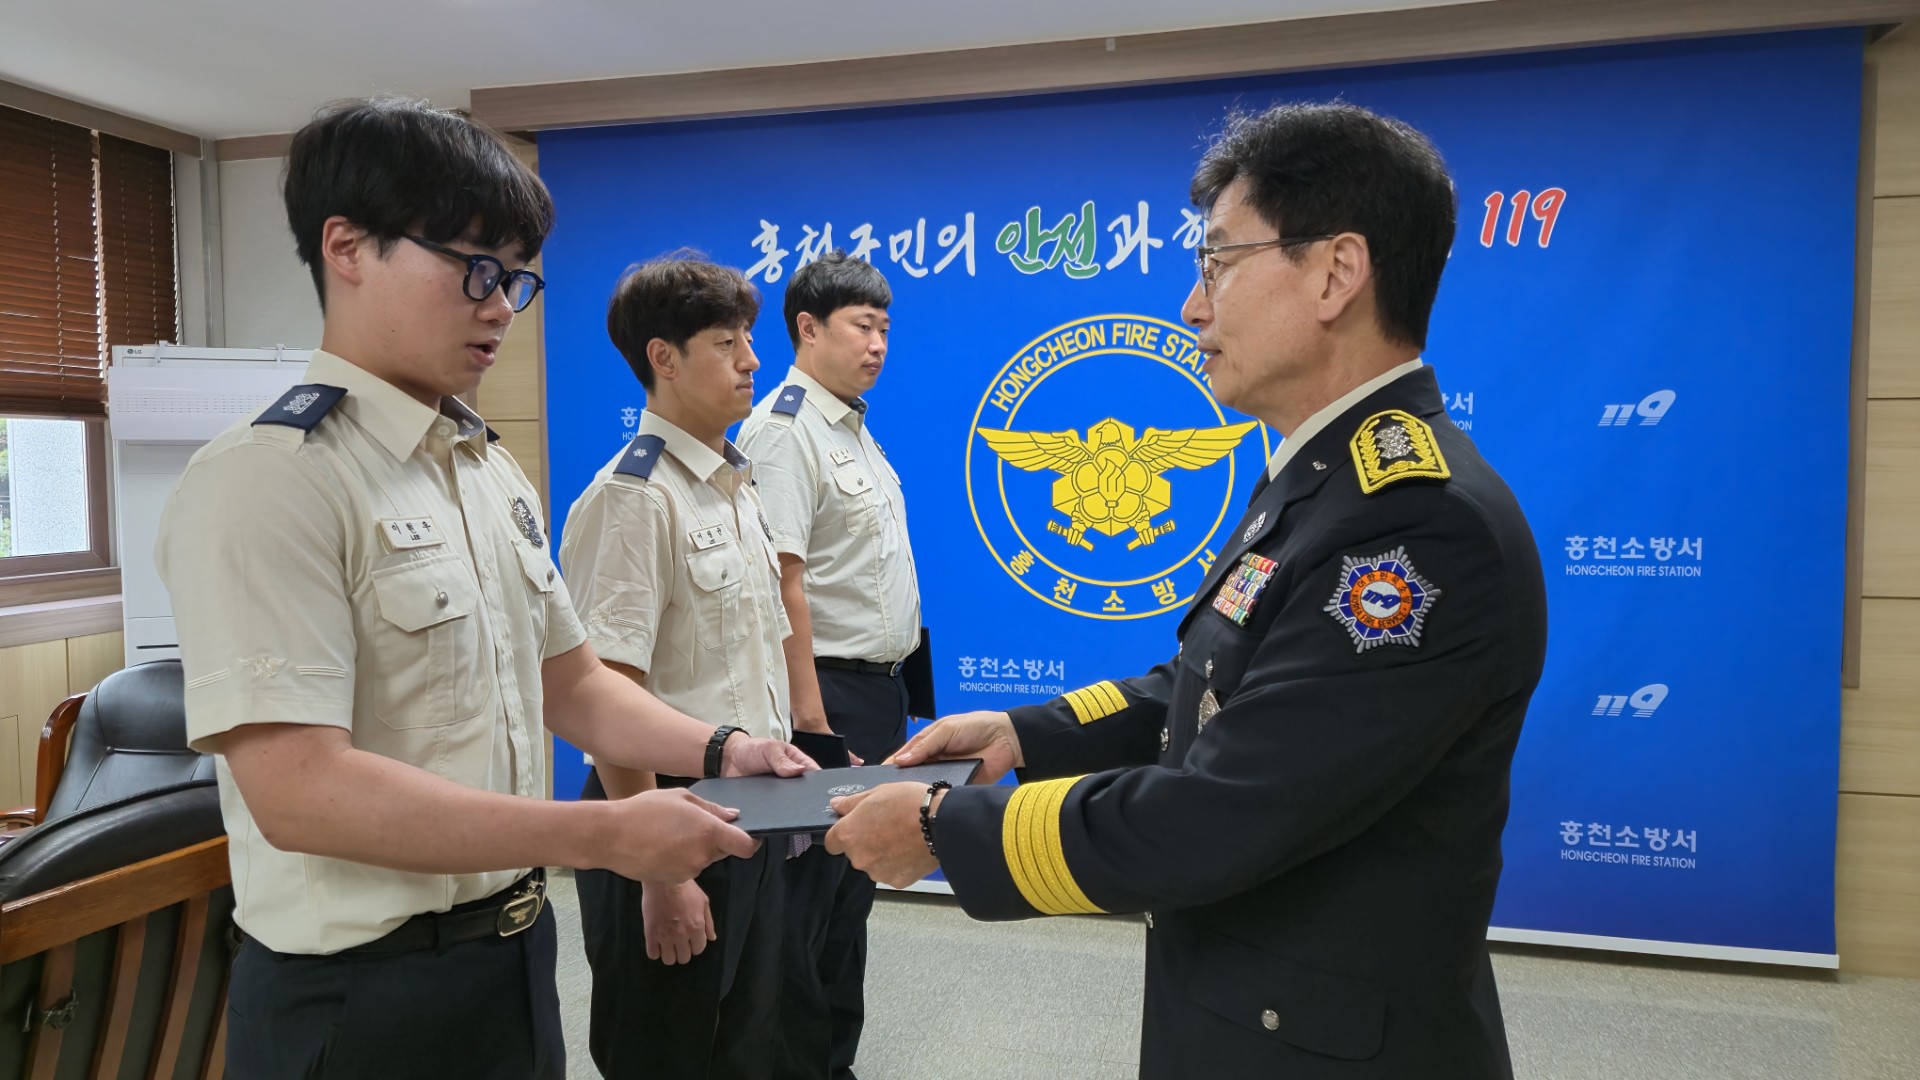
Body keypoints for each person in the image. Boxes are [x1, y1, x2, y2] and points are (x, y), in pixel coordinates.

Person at [827, 101, 1548, 1079]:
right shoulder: (1322, 478)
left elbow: (1220, 813)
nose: (1192, 307)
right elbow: (1212, 687)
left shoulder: (1414, 522)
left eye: (1218, 264)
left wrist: (939, 826)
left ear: (1336, 272)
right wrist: (1025, 734)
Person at [155, 98, 810, 1080]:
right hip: (359, 994)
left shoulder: (483, 469)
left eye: (515, 278)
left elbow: (574, 685)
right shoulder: (271, 478)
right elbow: (300, 791)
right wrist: (602, 833)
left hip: (510, 951)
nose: (501, 306)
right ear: (347, 247)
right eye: (474, 268)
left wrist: (724, 748)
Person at [559, 252, 803, 1079]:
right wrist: (655, 874)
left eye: (750, 339)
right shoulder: (632, 498)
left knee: (744, 1047)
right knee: (664, 1052)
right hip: (662, 820)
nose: (752, 361)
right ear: (663, 357)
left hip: (745, 818)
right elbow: (606, 699)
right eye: (727, 343)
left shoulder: (734, 486)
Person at [736, 251, 923, 1080]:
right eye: (862, 326)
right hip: (824, 699)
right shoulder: (784, 431)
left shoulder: (849, 423)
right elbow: (782, 583)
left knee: (849, 902)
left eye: (885, 328)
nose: (878, 344)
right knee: (806, 913)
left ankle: (831, 1064)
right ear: (807, 329)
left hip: (873, 694)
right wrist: (811, 728)